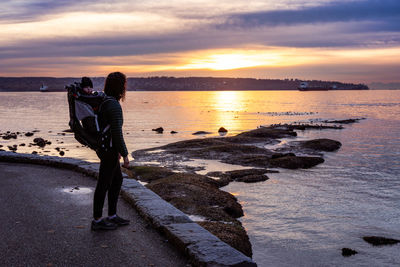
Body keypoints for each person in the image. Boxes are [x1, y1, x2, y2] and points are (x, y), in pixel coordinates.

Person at [91, 72, 130, 231]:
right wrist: (125, 154)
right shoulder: (113, 105)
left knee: (116, 180)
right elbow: (116, 132)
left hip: (106, 148)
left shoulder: (105, 100)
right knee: (104, 184)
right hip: (109, 150)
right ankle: (97, 220)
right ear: (121, 87)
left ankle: (112, 215)